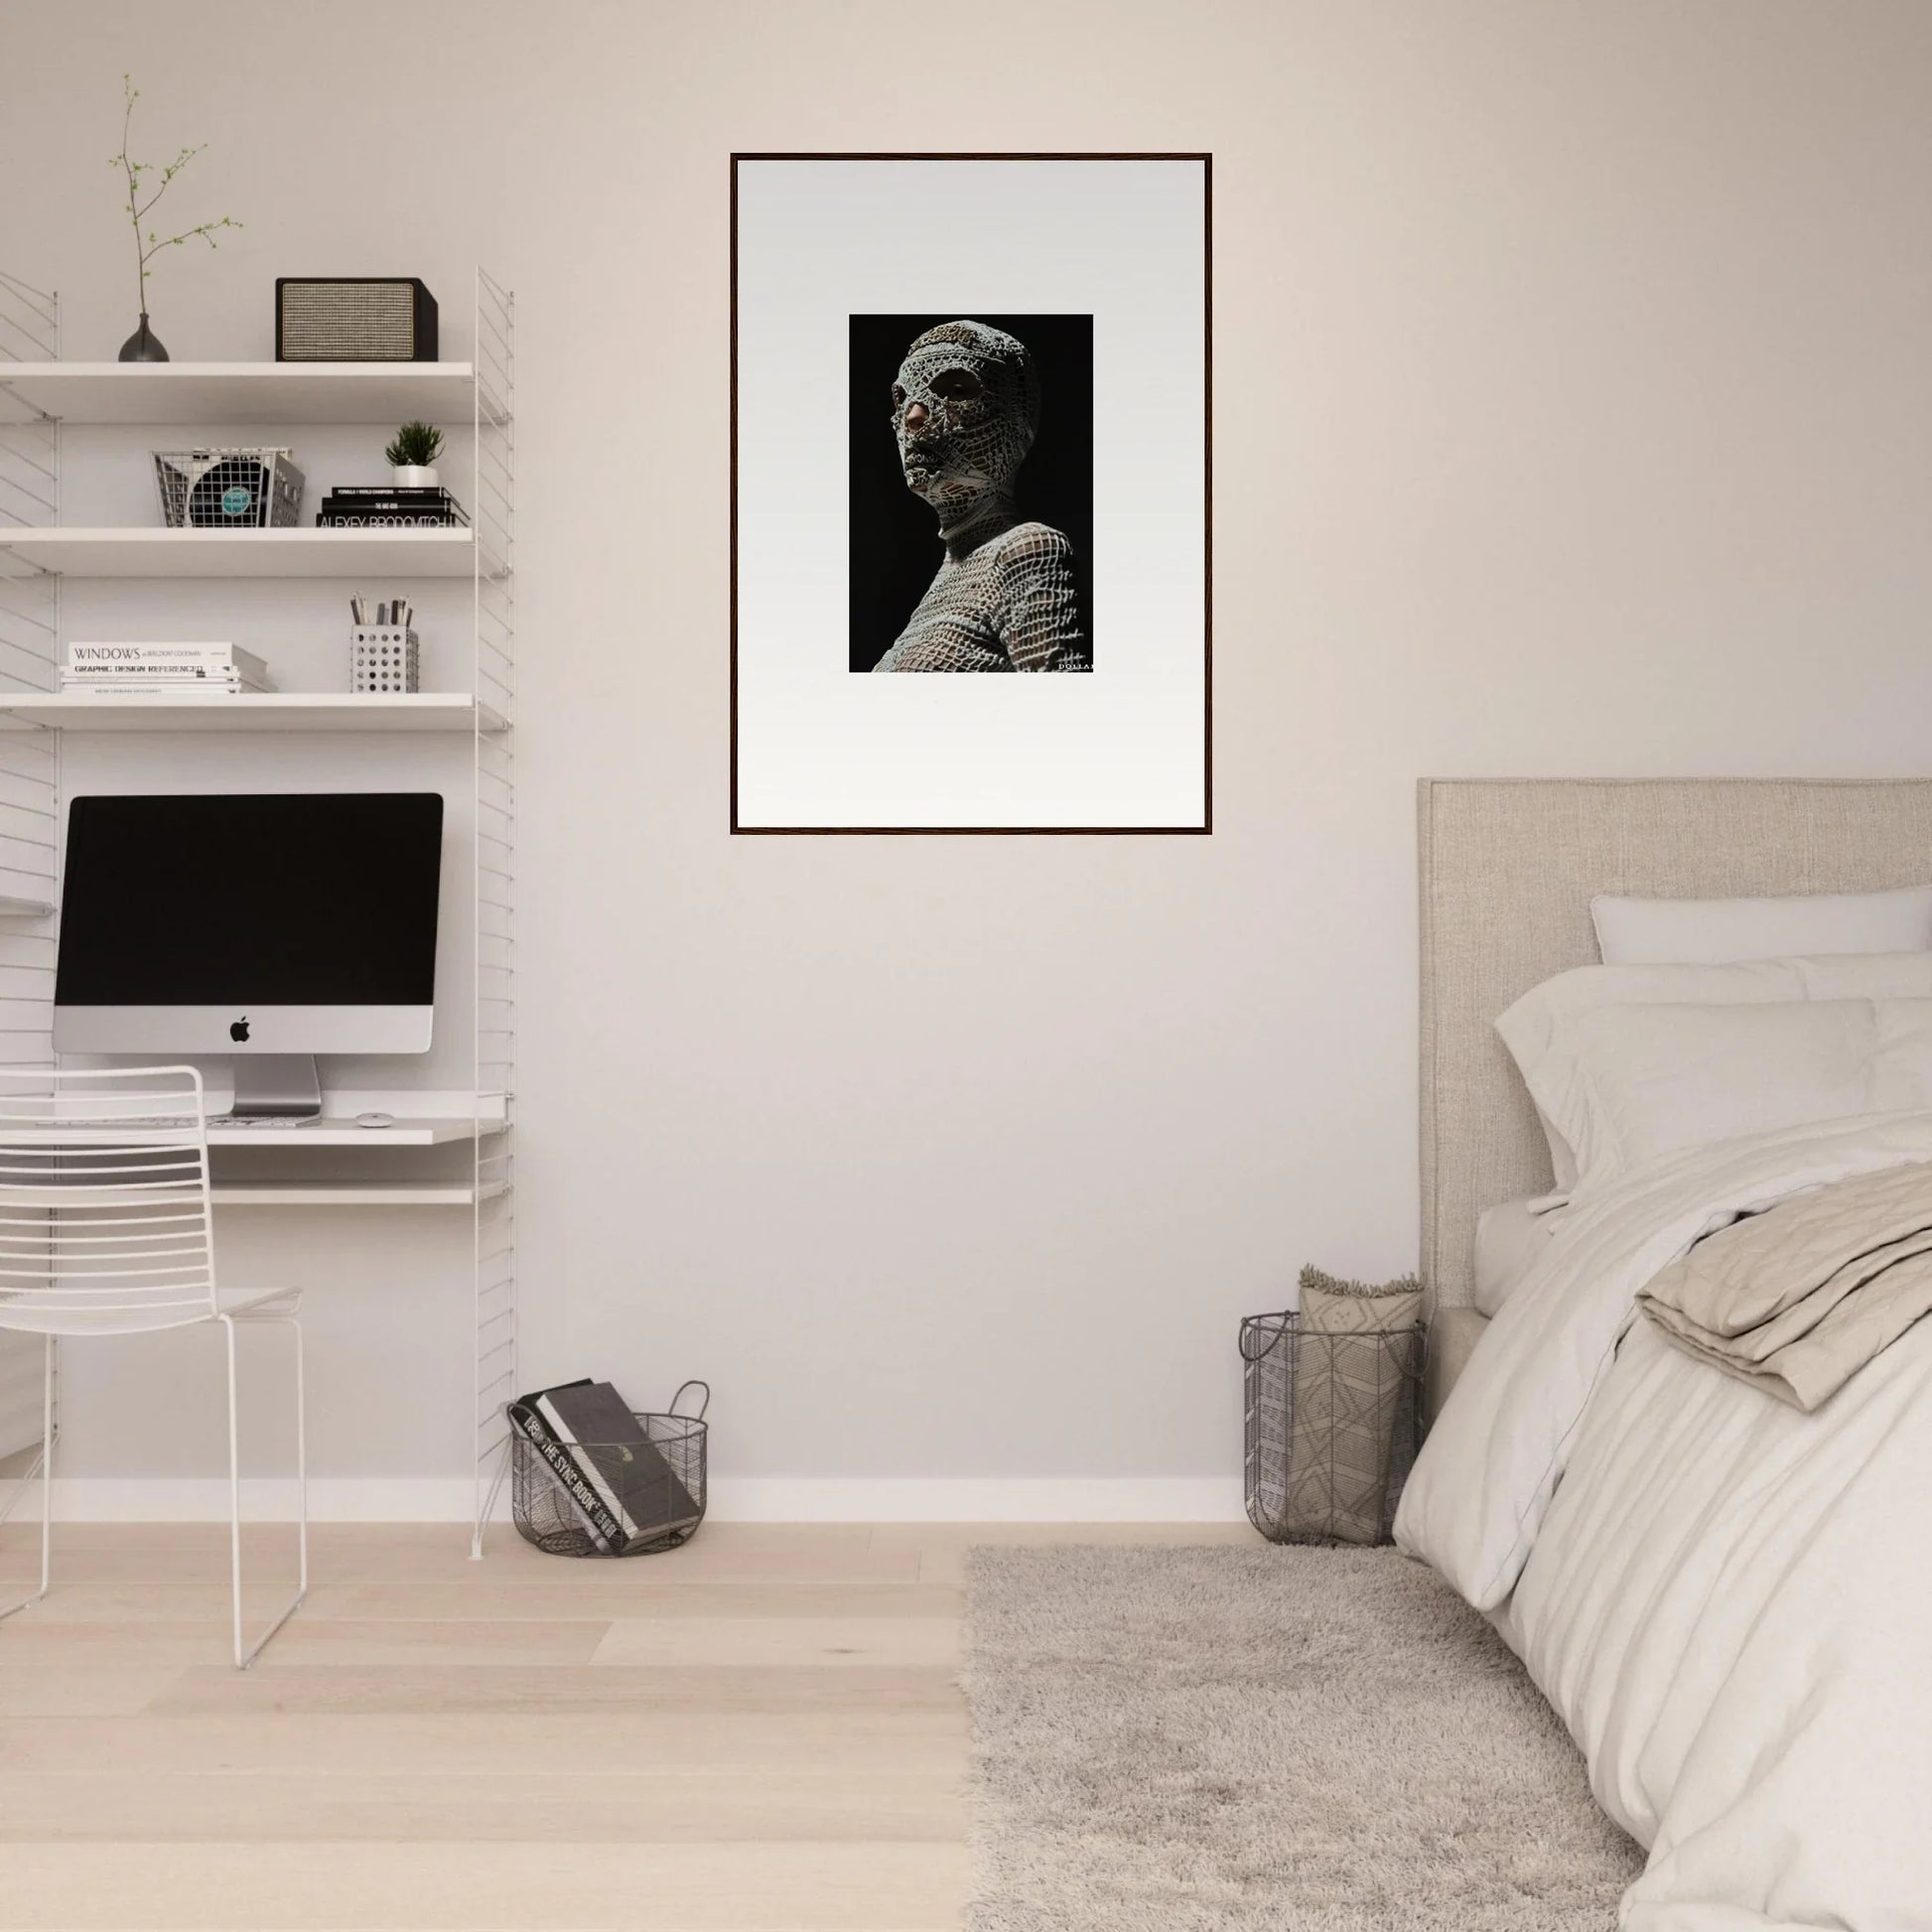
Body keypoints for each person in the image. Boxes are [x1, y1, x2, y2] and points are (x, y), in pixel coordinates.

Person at [872, 321, 1090, 673]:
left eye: (956, 390)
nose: (913, 416)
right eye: (903, 398)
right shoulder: (946, 580)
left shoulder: (1028, 551)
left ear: (1016, 417)